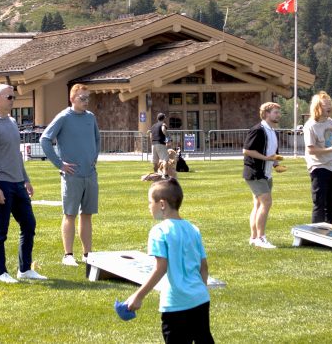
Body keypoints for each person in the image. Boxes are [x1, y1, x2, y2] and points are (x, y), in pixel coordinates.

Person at [124, 178, 213, 344]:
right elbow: (204, 267)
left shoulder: (159, 231)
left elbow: (160, 268)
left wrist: (138, 296)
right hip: (200, 299)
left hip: (176, 303)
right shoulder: (193, 229)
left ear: (162, 204)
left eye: (150, 202)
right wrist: (198, 290)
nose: (149, 206)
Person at [0, 84, 47, 284]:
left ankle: (24, 269)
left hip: (17, 183)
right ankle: (0, 273)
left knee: (29, 224)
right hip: (0, 183)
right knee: (1, 230)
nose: (12, 100)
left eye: (13, 97)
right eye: (9, 96)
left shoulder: (11, 122)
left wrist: (25, 179)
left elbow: (16, 155)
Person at [41, 83, 102, 267]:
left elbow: (97, 139)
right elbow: (45, 139)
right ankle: (68, 255)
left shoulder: (91, 118)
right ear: (72, 99)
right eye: (82, 98)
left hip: (90, 174)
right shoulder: (63, 117)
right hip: (72, 176)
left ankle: (87, 254)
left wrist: (94, 158)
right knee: (70, 214)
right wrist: (60, 164)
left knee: (87, 214)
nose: (86, 102)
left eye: (87, 98)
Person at [242, 102, 284, 248]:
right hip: (255, 172)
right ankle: (261, 238)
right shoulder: (258, 130)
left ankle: (254, 238)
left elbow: (272, 153)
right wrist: (267, 159)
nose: (278, 115)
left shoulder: (273, 131)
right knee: (266, 202)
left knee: (258, 204)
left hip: (266, 173)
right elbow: (246, 151)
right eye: (275, 112)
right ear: (266, 114)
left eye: (279, 112)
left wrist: (276, 164)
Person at [303, 90, 332, 224]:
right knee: (319, 203)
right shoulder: (310, 126)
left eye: (330, 104)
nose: (329, 107)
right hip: (318, 166)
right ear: (317, 107)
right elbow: (311, 150)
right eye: (325, 105)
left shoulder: (330, 122)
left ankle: (328, 232)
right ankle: (316, 235)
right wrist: (331, 149)